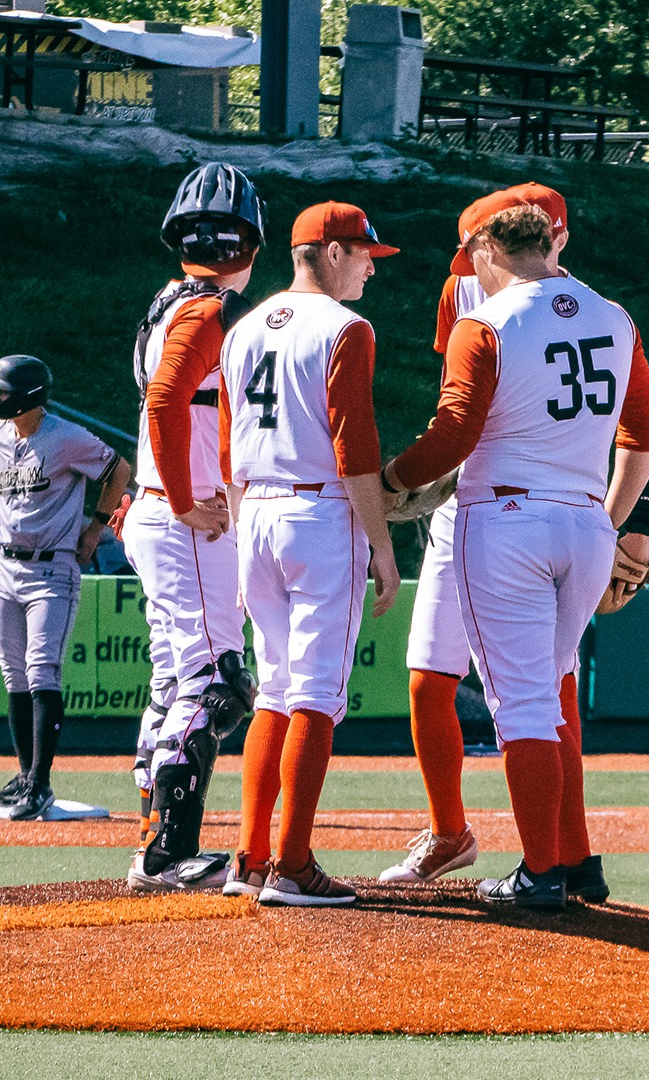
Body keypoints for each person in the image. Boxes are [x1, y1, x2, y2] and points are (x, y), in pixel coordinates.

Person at [381, 202, 649, 911]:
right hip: (583, 520)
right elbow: (648, 425)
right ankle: (563, 863)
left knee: (525, 706)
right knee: (549, 695)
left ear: (486, 249)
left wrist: (388, 484)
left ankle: (541, 872)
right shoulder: (613, 314)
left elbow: (451, 436)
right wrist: (615, 520)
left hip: (505, 517)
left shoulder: (488, 321)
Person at [220, 201, 402, 906]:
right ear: (328, 250)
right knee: (318, 694)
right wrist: (382, 545)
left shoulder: (241, 331)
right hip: (318, 511)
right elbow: (355, 448)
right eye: (361, 254)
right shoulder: (345, 327)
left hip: (256, 511)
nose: (367, 267)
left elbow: (230, 448)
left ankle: (249, 855)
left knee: (274, 690)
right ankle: (291, 865)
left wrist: (240, 541)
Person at [122, 163, 262, 893]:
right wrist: (181, 498)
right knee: (217, 684)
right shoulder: (208, 311)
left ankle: (154, 840)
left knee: (173, 682)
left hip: (162, 508)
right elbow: (168, 403)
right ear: (251, 244)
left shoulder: (165, 302)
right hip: (186, 517)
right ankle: (166, 854)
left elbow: (165, 403)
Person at [0, 354, 132, 821]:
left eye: (2, 391)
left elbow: (118, 470)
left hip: (52, 568)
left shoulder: (65, 437)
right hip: (6, 565)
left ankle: (40, 783)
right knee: (14, 674)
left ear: (27, 395)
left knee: (42, 669)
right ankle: (27, 775)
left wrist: (96, 526)